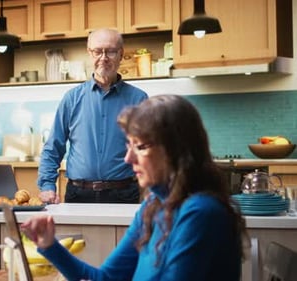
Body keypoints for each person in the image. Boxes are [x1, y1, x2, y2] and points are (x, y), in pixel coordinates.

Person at [22, 95, 248, 281]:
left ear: (176, 150)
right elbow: (106, 278)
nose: (128, 158)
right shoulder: (153, 205)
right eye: (129, 146)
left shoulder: (201, 213)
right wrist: (49, 245)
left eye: (140, 147)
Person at [37, 28, 148, 204]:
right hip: (78, 194)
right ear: (90, 53)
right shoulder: (72, 98)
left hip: (124, 194)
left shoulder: (139, 99)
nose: (103, 58)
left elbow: (148, 150)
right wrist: (47, 186)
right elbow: (53, 147)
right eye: (98, 51)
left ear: (121, 54)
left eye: (110, 51)